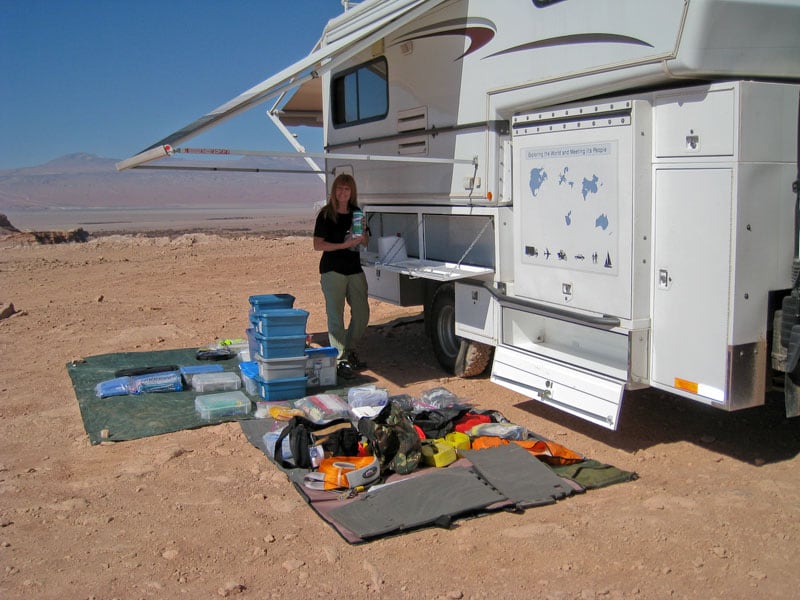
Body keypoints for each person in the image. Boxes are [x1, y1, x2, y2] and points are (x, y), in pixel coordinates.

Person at [313, 173, 370, 380]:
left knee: (362, 314)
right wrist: (343, 245)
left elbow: (365, 243)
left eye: (347, 189)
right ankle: (340, 359)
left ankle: (349, 348)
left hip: (354, 268)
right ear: (334, 191)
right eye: (339, 188)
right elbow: (317, 244)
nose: (343, 192)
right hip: (332, 270)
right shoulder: (326, 214)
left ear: (351, 192)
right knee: (335, 316)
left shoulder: (356, 213)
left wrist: (362, 235)